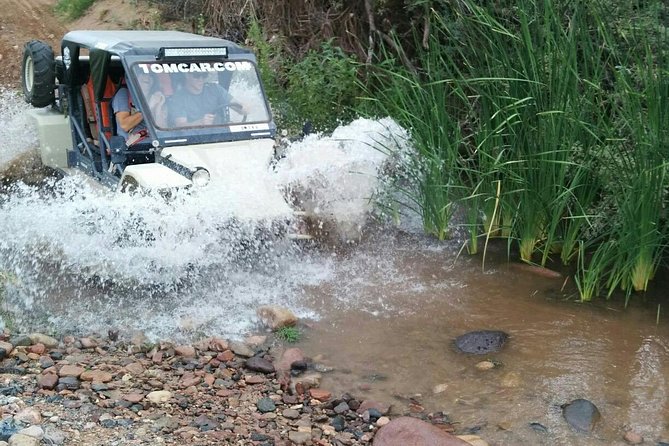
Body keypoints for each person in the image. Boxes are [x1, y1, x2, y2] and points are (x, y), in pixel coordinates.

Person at [170, 71, 246, 127]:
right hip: (194, 139)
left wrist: (245, 108)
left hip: (221, 134)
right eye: (197, 75)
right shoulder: (178, 98)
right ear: (187, 75)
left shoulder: (215, 89)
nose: (201, 79)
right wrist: (200, 123)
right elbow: (180, 126)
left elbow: (239, 107)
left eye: (204, 75)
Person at [111, 72, 167, 145]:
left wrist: (159, 106)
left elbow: (162, 129)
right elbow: (125, 125)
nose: (147, 77)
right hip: (134, 145)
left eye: (151, 75)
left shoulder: (155, 96)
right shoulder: (124, 94)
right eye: (143, 73)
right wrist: (149, 107)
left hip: (156, 142)